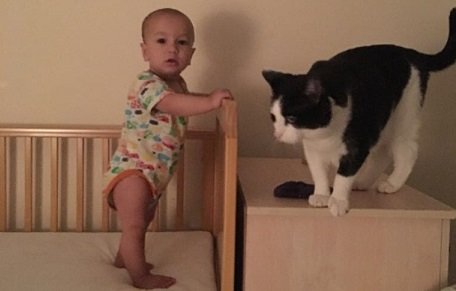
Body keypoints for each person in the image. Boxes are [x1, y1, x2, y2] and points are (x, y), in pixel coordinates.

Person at [103, 8, 233, 289]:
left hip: (153, 175)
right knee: (135, 226)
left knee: (143, 220)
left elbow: (183, 99)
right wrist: (210, 101)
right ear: (145, 50)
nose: (172, 48)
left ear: (192, 53)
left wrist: (211, 99)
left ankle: (123, 258)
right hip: (133, 173)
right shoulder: (147, 83)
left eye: (182, 42)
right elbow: (171, 104)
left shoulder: (177, 84)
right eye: (161, 41)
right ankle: (139, 277)